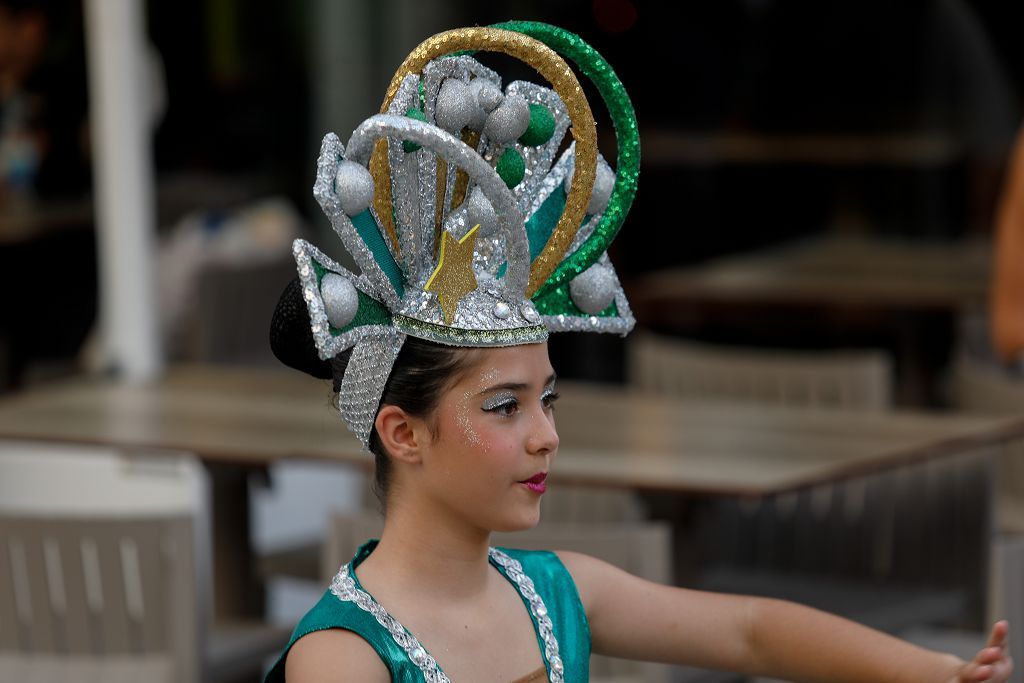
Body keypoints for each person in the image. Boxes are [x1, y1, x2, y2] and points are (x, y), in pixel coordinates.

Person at [265, 22, 1013, 683]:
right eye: (504, 405)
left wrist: (934, 670)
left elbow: (748, 632)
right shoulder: (343, 656)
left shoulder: (557, 594)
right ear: (404, 432)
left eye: (547, 398)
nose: (546, 433)